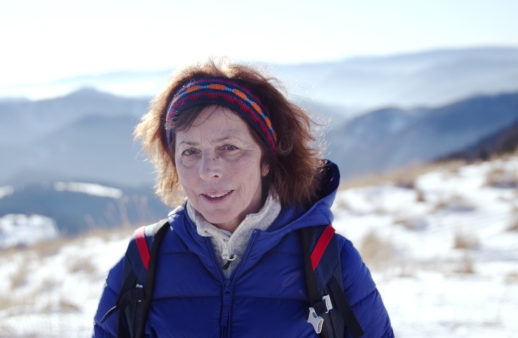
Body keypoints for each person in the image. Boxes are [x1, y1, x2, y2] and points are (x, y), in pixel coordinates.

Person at [93, 59, 394, 337]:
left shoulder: (330, 261)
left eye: (230, 148)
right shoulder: (142, 262)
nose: (208, 170)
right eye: (190, 152)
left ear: (267, 159)